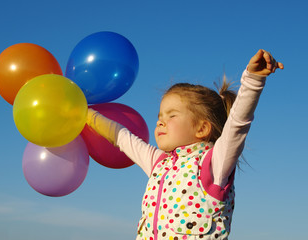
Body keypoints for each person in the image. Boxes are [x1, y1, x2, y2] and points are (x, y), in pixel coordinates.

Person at [87, 49, 284, 240]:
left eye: (172, 115)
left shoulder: (214, 162)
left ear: (202, 128)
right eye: (159, 116)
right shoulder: (159, 163)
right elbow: (122, 137)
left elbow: (238, 124)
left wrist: (253, 80)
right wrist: (85, 114)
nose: (160, 122)